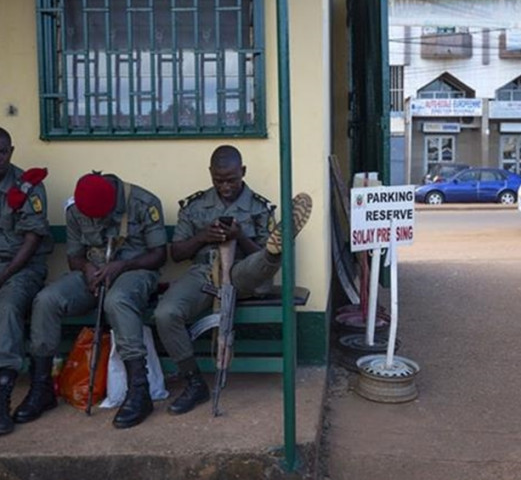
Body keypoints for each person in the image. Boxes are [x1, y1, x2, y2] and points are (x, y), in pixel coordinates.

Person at [155, 145, 312, 415]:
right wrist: (203, 237)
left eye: (231, 179)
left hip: (243, 273)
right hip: (203, 273)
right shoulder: (195, 206)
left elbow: (254, 252)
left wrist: (240, 236)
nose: (225, 186)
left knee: (263, 260)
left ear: (243, 172)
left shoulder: (259, 207)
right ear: (210, 174)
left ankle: (276, 248)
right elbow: (177, 253)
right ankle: (194, 382)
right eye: (219, 180)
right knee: (165, 313)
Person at [14, 172, 167, 429]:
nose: (95, 221)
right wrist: (86, 268)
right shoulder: (76, 208)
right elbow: (74, 257)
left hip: (135, 271)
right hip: (93, 273)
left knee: (117, 300)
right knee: (47, 300)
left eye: (102, 216)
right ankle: (41, 387)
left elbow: (159, 255)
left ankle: (138, 390)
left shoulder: (143, 202)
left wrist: (123, 265)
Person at [0, 127, 54, 436]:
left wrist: (3, 275)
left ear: (11, 151)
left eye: (2, 152)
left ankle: (2, 395)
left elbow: (32, 241)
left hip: (22, 269)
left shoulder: (28, 186)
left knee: (8, 307)